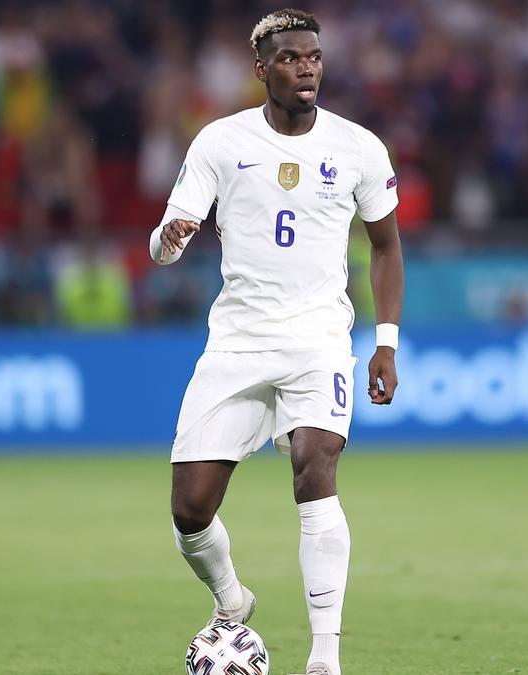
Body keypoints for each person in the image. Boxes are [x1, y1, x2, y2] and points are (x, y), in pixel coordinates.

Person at [149, 10, 403, 675]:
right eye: (290, 58)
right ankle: (231, 600)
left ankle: (325, 658)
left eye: (314, 56)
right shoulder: (219, 142)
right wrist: (168, 239)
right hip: (237, 342)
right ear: (262, 70)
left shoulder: (359, 148)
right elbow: (171, 231)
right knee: (189, 510)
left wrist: (385, 340)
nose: (307, 67)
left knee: (315, 465)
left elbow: (386, 246)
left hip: (319, 340)